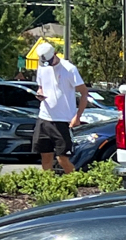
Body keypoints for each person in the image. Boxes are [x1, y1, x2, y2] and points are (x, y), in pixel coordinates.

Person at [34, 42, 88, 173]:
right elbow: (41, 86)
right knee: (45, 157)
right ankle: (49, 186)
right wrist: (40, 93)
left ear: (55, 54)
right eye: (44, 62)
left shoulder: (69, 69)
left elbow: (84, 93)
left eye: (49, 61)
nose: (47, 64)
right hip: (44, 118)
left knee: (62, 158)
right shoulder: (42, 68)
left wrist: (77, 116)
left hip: (63, 120)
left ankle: (76, 182)